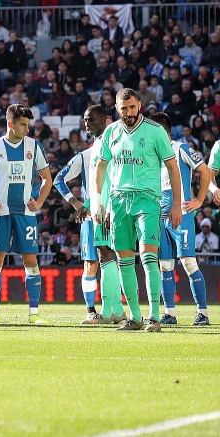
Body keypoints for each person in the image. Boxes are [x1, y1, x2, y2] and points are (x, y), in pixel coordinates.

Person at [91, 89, 182, 333]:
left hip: (147, 200)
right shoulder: (111, 132)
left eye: (132, 107)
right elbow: (101, 167)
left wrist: (176, 204)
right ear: (117, 109)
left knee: (149, 256)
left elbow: (172, 168)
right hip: (119, 201)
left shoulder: (155, 131)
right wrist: (98, 200)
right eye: (124, 108)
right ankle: (135, 316)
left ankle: (154, 317)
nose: (128, 112)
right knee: (124, 260)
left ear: (139, 105)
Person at [0, 104, 53, 325]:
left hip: (26, 213)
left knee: (30, 260)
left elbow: (47, 179)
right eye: (23, 125)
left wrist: (39, 202)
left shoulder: (34, 146)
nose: (28, 129)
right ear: (11, 124)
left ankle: (34, 313)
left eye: (28, 125)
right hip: (2, 213)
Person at [53, 106, 125, 324]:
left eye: (91, 119)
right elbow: (58, 179)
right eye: (85, 120)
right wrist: (76, 203)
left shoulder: (118, 150)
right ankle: (93, 310)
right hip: (90, 216)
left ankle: (114, 310)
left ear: (106, 121)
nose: (87, 123)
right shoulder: (85, 156)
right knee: (93, 263)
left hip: (112, 211)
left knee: (113, 259)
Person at [149, 112, 210, 326]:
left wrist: (199, 200)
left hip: (182, 215)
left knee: (188, 262)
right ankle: (169, 313)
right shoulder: (152, 153)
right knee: (165, 265)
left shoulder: (181, 148)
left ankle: (202, 312)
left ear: (160, 131)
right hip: (160, 218)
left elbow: (205, 171)